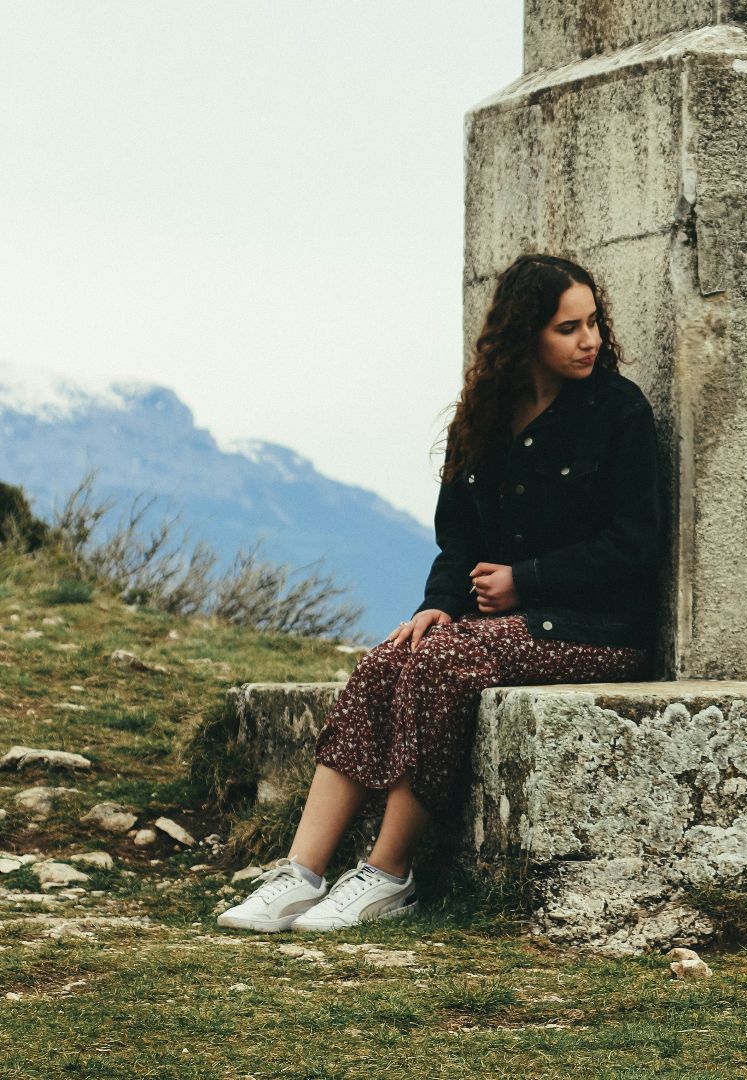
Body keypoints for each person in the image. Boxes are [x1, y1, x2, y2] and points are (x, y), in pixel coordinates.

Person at [218, 254, 665, 932]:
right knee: (385, 660)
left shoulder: (618, 411)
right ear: (525, 336)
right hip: (500, 626)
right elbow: (456, 540)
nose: (590, 341)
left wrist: (527, 581)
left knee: (442, 664)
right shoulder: (481, 418)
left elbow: (637, 542)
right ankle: (300, 874)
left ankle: (387, 874)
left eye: (593, 322)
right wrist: (437, 603)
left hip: (595, 628)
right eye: (567, 328)